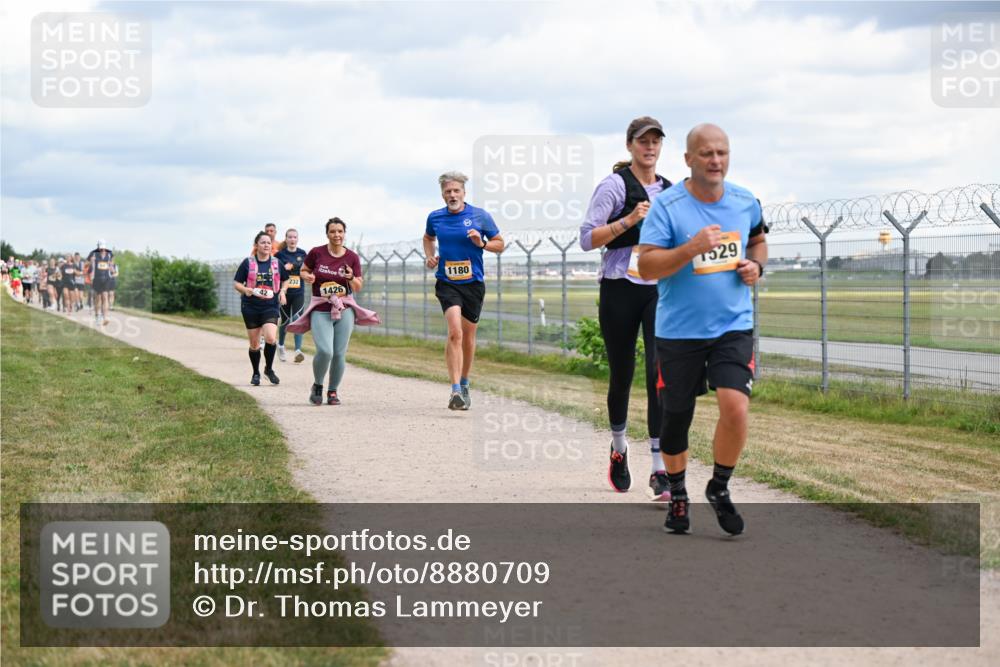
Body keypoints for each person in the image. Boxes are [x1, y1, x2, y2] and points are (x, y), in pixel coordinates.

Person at [638, 123, 768, 536]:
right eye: (707, 153)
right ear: (689, 159)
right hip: (679, 331)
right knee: (676, 417)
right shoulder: (668, 206)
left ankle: (720, 486)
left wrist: (756, 266)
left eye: (722, 153)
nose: (716, 161)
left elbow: (758, 241)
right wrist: (691, 247)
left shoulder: (745, 201)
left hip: (733, 324)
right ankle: (677, 494)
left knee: (736, 406)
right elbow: (647, 265)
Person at [580, 116, 673, 499]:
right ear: (630, 145)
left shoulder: (669, 190)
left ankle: (659, 467)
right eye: (642, 141)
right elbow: (587, 238)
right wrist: (629, 220)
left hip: (657, 289)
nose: (649, 147)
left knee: (658, 373)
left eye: (655, 141)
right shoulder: (614, 186)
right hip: (619, 286)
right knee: (623, 374)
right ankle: (619, 448)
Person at [423, 171, 504, 410]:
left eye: (456, 190)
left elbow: (500, 244)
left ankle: (465, 382)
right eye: (448, 191)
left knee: (468, 337)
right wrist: (429, 256)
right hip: (447, 283)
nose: (452, 195)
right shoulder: (435, 217)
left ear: (464, 193)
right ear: (442, 195)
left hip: (473, 284)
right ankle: (455, 390)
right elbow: (428, 238)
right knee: (455, 332)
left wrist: (483, 243)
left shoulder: (480, 216)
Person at [292, 217, 379, 405]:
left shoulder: (352, 257)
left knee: (339, 353)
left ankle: (332, 391)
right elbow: (303, 270)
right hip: (321, 308)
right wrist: (308, 276)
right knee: (325, 351)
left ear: (344, 233)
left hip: (344, 308)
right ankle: (317, 385)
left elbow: (357, 286)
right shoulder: (317, 253)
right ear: (327, 234)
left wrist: (350, 277)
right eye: (333, 231)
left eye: (340, 231)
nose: (336, 235)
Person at [233, 232, 289, 386]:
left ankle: (269, 369)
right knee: (254, 344)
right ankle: (256, 373)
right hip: (250, 306)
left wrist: (282, 292)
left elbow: (286, 280)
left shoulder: (277, 263)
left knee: (271, 338)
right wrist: (245, 290)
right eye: (263, 242)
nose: (266, 245)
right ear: (256, 245)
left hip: (270, 306)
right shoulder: (248, 263)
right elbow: (237, 283)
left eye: (269, 243)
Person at [275, 228, 308, 363]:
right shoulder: (279, 255)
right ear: (286, 239)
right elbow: (275, 271)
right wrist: (284, 268)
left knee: (297, 318)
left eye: (295, 237)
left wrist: (293, 267)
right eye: (290, 237)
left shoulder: (302, 254)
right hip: (284, 292)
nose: (292, 239)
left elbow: (305, 269)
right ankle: (281, 346)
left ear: (297, 239)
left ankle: (298, 350)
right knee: (286, 320)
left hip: (298, 292)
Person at [88, 240, 114, 326]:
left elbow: (111, 265)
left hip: (106, 279)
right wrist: (91, 262)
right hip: (96, 279)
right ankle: (97, 316)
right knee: (98, 298)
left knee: (105, 297)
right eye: (101, 248)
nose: (103, 250)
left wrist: (112, 268)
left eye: (104, 248)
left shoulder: (110, 254)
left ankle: (105, 317)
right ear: (98, 247)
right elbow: (87, 267)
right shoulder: (93, 254)